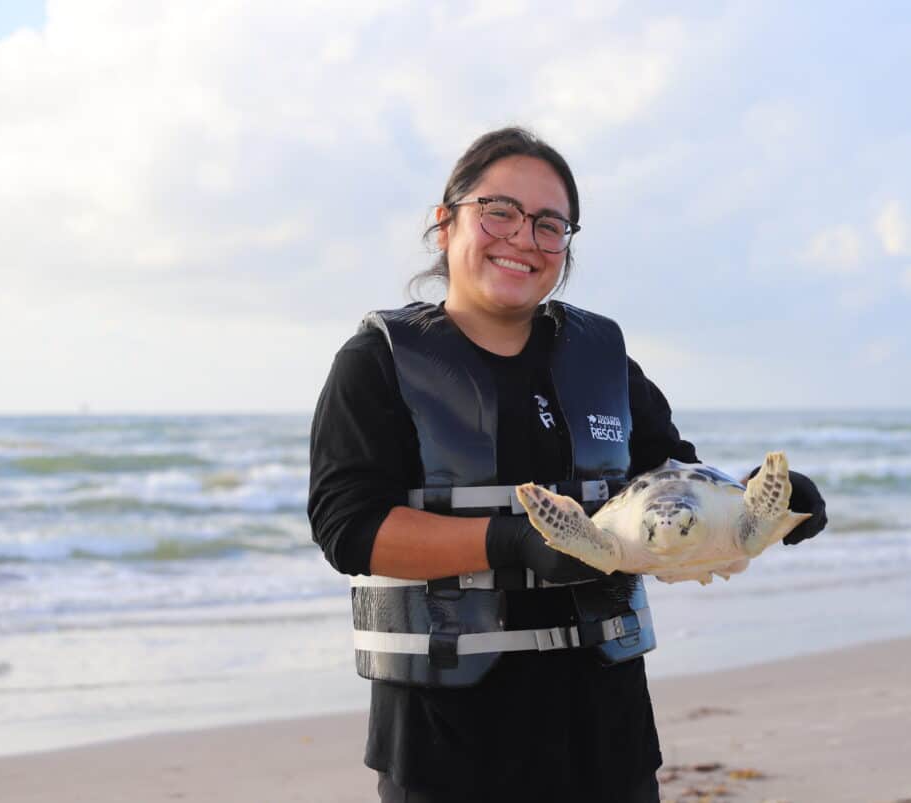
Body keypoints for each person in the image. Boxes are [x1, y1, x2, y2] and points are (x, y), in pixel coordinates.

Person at [308, 126, 828, 803]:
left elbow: (674, 481)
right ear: (445, 223)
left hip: (606, 736)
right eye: (499, 211)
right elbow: (348, 527)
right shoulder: (377, 363)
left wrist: (765, 501)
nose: (523, 237)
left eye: (549, 225)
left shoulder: (603, 362)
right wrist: (512, 541)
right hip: (446, 745)